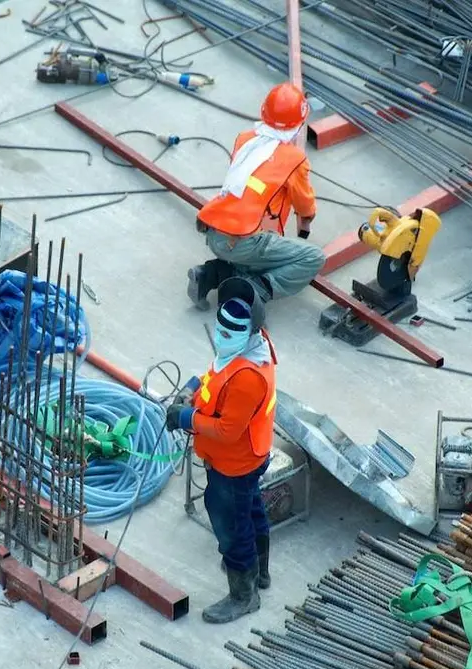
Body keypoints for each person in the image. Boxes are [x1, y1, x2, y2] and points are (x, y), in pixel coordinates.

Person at [166, 278, 277, 624]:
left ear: (249, 331)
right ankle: (259, 572)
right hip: (247, 459)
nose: (222, 337)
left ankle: (244, 595)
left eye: (231, 333)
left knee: (231, 526)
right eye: (220, 329)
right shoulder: (249, 348)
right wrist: (193, 388)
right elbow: (216, 373)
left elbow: (228, 431)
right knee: (251, 510)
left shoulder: (248, 377)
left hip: (235, 463)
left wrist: (186, 416)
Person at [188, 82, 325, 310]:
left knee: (260, 250)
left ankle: (208, 275)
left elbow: (251, 183)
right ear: (299, 124)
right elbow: (305, 206)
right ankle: (255, 289)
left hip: (214, 231)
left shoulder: (245, 139)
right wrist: (306, 223)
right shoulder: (294, 159)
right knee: (312, 257)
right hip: (243, 241)